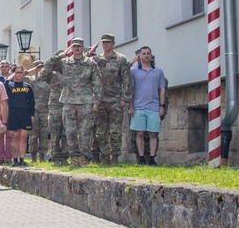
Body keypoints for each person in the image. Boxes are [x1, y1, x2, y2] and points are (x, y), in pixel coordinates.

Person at [39, 38, 102, 167]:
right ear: (71, 48)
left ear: (83, 47)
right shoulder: (64, 63)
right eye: (74, 46)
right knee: (70, 131)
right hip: (68, 101)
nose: (77, 48)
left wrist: (97, 101)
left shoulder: (90, 64)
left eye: (79, 46)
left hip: (85, 101)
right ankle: (73, 157)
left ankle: (83, 157)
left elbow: (97, 82)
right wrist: (58, 56)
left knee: (85, 131)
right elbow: (44, 72)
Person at [88, 33, 132, 164]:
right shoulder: (96, 60)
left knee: (115, 131)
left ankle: (115, 157)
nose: (105, 44)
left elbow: (126, 80)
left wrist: (125, 98)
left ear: (113, 43)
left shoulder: (120, 59)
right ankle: (105, 156)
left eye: (108, 42)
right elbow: (83, 65)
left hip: (115, 100)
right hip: (100, 100)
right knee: (100, 132)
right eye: (103, 42)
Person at [129, 46, 166, 165]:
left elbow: (162, 89)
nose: (146, 55)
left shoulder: (158, 71)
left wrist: (162, 106)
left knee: (153, 133)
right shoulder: (133, 71)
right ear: (140, 56)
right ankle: (141, 158)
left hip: (153, 106)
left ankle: (151, 158)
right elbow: (130, 89)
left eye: (148, 53)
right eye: (143, 53)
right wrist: (130, 106)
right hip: (138, 106)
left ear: (151, 55)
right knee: (139, 133)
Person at [5, 65, 35, 166]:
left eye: (21, 72)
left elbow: (31, 102)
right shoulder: (10, 85)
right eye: (17, 72)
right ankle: (15, 159)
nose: (19, 74)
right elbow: (4, 83)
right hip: (13, 113)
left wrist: (32, 115)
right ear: (14, 74)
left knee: (23, 137)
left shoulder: (28, 86)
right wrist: (11, 76)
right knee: (15, 137)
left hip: (25, 114)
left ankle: (22, 159)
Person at [25, 61, 48, 163]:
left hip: (45, 111)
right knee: (33, 135)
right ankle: (33, 156)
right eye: (38, 68)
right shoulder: (30, 80)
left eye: (41, 67)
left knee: (44, 135)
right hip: (33, 112)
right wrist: (32, 70)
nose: (40, 69)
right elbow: (21, 75)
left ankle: (42, 156)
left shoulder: (48, 80)